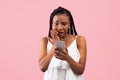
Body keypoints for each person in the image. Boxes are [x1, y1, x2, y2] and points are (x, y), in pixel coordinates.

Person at [39, 6, 87, 80]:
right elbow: (42, 67)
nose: (60, 28)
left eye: (64, 24)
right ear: (51, 24)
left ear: (69, 24)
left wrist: (67, 57)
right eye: (56, 24)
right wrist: (56, 44)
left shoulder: (79, 40)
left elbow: (80, 70)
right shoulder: (44, 41)